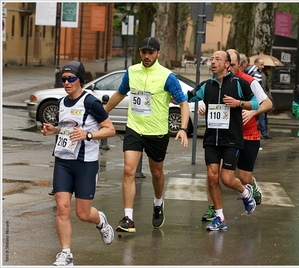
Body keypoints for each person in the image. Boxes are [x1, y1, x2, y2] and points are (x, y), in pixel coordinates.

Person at [104, 37, 190, 233]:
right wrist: (103, 113)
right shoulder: (132, 71)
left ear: (158, 53)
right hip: (134, 128)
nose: (146, 56)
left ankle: (158, 203)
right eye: (143, 52)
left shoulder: (167, 76)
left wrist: (183, 128)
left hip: (157, 132)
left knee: (157, 173)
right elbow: (120, 93)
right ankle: (128, 218)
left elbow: (183, 103)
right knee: (128, 170)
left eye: (151, 52)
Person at [41, 61, 116, 266]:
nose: (66, 82)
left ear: (80, 80)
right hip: (63, 161)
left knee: (82, 213)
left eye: (71, 78)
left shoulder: (91, 102)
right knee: (62, 208)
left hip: (85, 164)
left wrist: (88, 134)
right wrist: (54, 130)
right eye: (64, 79)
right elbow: (66, 128)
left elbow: (110, 129)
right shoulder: (61, 102)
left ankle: (100, 221)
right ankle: (66, 254)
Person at [187, 50, 259, 231]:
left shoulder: (239, 84)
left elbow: (256, 103)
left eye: (217, 59)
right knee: (212, 177)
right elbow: (188, 97)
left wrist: (239, 103)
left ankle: (245, 192)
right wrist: (170, 95)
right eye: (211, 59)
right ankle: (220, 217)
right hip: (212, 139)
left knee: (226, 179)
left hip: (231, 139)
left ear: (227, 64)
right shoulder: (207, 86)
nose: (212, 62)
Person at [200, 50, 273, 221]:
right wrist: (206, 108)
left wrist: (253, 112)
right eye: (228, 64)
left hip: (248, 136)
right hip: (225, 136)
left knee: (243, 176)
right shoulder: (217, 82)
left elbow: (268, 103)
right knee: (212, 173)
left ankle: (251, 186)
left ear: (239, 65)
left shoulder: (248, 82)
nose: (229, 67)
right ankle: (213, 208)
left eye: (232, 64)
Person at [245, 58, 272, 139]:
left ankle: (262, 132)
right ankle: (262, 132)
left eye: (263, 64)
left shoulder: (261, 74)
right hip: (257, 98)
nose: (263, 66)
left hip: (260, 97)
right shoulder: (254, 72)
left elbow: (264, 86)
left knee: (262, 116)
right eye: (261, 64)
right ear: (256, 64)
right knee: (261, 116)